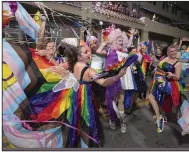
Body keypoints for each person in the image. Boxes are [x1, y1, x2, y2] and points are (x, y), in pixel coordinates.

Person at [27, 45, 127, 148]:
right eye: (85, 52)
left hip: (72, 94)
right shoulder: (89, 70)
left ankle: (72, 140)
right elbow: (104, 82)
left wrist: (48, 56)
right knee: (86, 120)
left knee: (73, 118)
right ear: (79, 57)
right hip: (84, 98)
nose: (89, 54)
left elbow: (58, 66)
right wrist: (118, 76)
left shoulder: (73, 64)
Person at [149, 45, 183, 133]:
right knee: (152, 97)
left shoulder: (178, 63)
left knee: (173, 102)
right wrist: (156, 70)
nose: (174, 52)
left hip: (170, 84)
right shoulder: (164, 58)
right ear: (168, 52)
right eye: (171, 51)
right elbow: (159, 68)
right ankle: (158, 118)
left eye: (175, 50)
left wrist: (173, 75)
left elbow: (178, 77)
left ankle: (178, 112)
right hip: (160, 82)